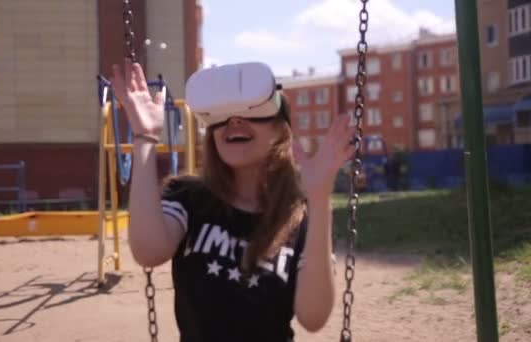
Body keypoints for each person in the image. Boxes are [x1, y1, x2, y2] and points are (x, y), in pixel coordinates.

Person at [111, 59, 357, 342]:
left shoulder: (301, 218)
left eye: (252, 111)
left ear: (280, 130)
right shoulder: (188, 198)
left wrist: (319, 196)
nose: (234, 122)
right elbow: (148, 252)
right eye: (222, 116)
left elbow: (313, 318)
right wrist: (144, 136)